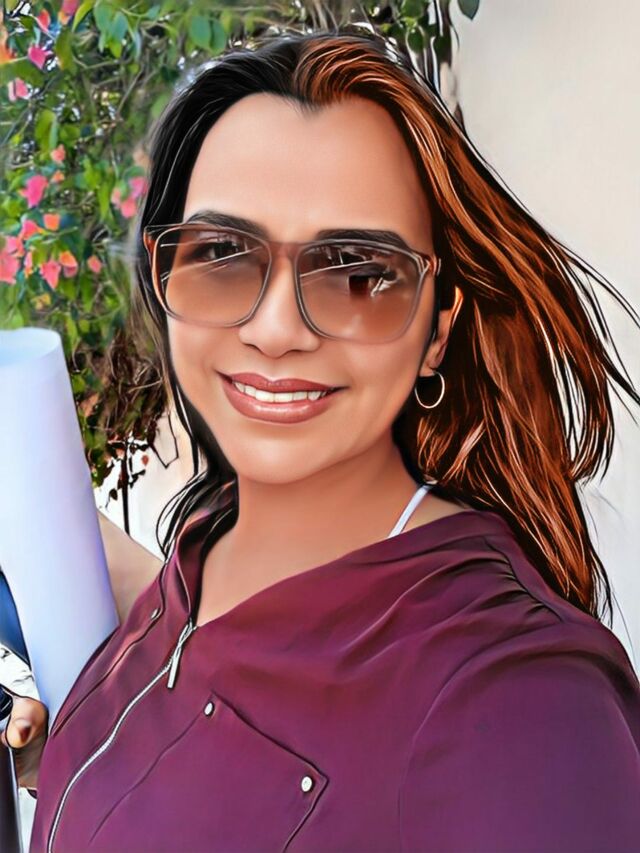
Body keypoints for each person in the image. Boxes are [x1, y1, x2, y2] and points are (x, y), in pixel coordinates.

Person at [3, 26, 640, 852]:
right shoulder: (212, 539)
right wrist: (88, 774)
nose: (275, 329)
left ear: (437, 330)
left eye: (357, 272)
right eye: (222, 252)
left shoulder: (523, 706)